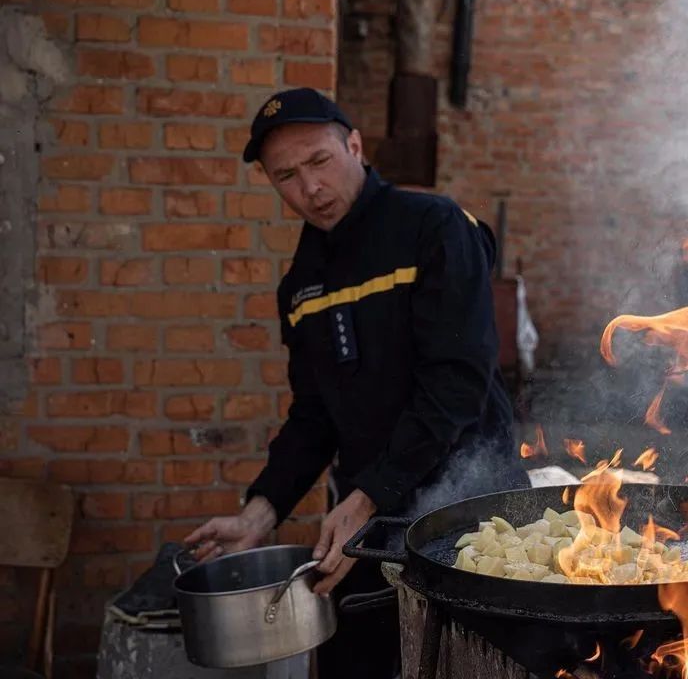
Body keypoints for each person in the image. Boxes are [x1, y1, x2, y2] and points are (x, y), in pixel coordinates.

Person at [185, 87, 529, 678]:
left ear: (354, 145)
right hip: (365, 524)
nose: (310, 189)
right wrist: (261, 511)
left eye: (319, 161)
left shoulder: (434, 228)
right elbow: (314, 414)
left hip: (473, 514)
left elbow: (457, 383)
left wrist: (369, 495)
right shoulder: (301, 286)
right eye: (286, 175)